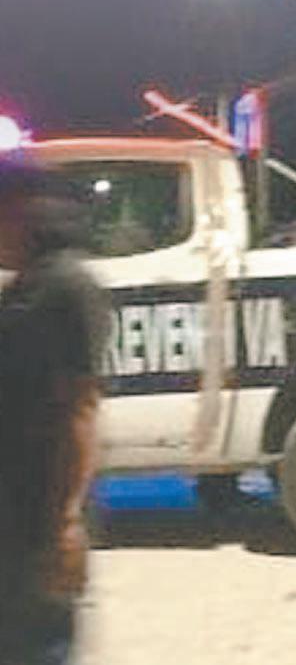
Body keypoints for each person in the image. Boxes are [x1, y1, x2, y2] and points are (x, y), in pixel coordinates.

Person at [0, 155, 109, 664]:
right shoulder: (24, 287)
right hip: (14, 512)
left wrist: (67, 522)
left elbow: (80, 410)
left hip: (40, 513)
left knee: (40, 644)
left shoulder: (67, 288)